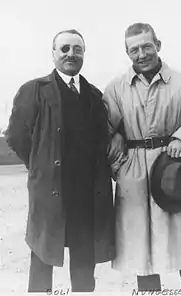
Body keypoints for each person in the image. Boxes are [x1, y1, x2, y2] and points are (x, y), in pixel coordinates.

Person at [103, 23, 181, 292]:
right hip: (135, 173)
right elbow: (102, 131)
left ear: (158, 45)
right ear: (127, 52)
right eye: (134, 49)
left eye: (146, 46)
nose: (141, 54)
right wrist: (119, 166)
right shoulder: (116, 88)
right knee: (142, 250)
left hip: (176, 168)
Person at [5, 29, 115, 293]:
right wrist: (40, 166)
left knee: (84, 262)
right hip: (50, 192)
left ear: (84, 54)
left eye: (77, 49)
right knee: (43, 258)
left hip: (87, 195)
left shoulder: (94, 95)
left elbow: (102, 140)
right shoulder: (34, 90)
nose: (71, 54)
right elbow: (16, 136)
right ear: (53, 54)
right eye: (64, 48)